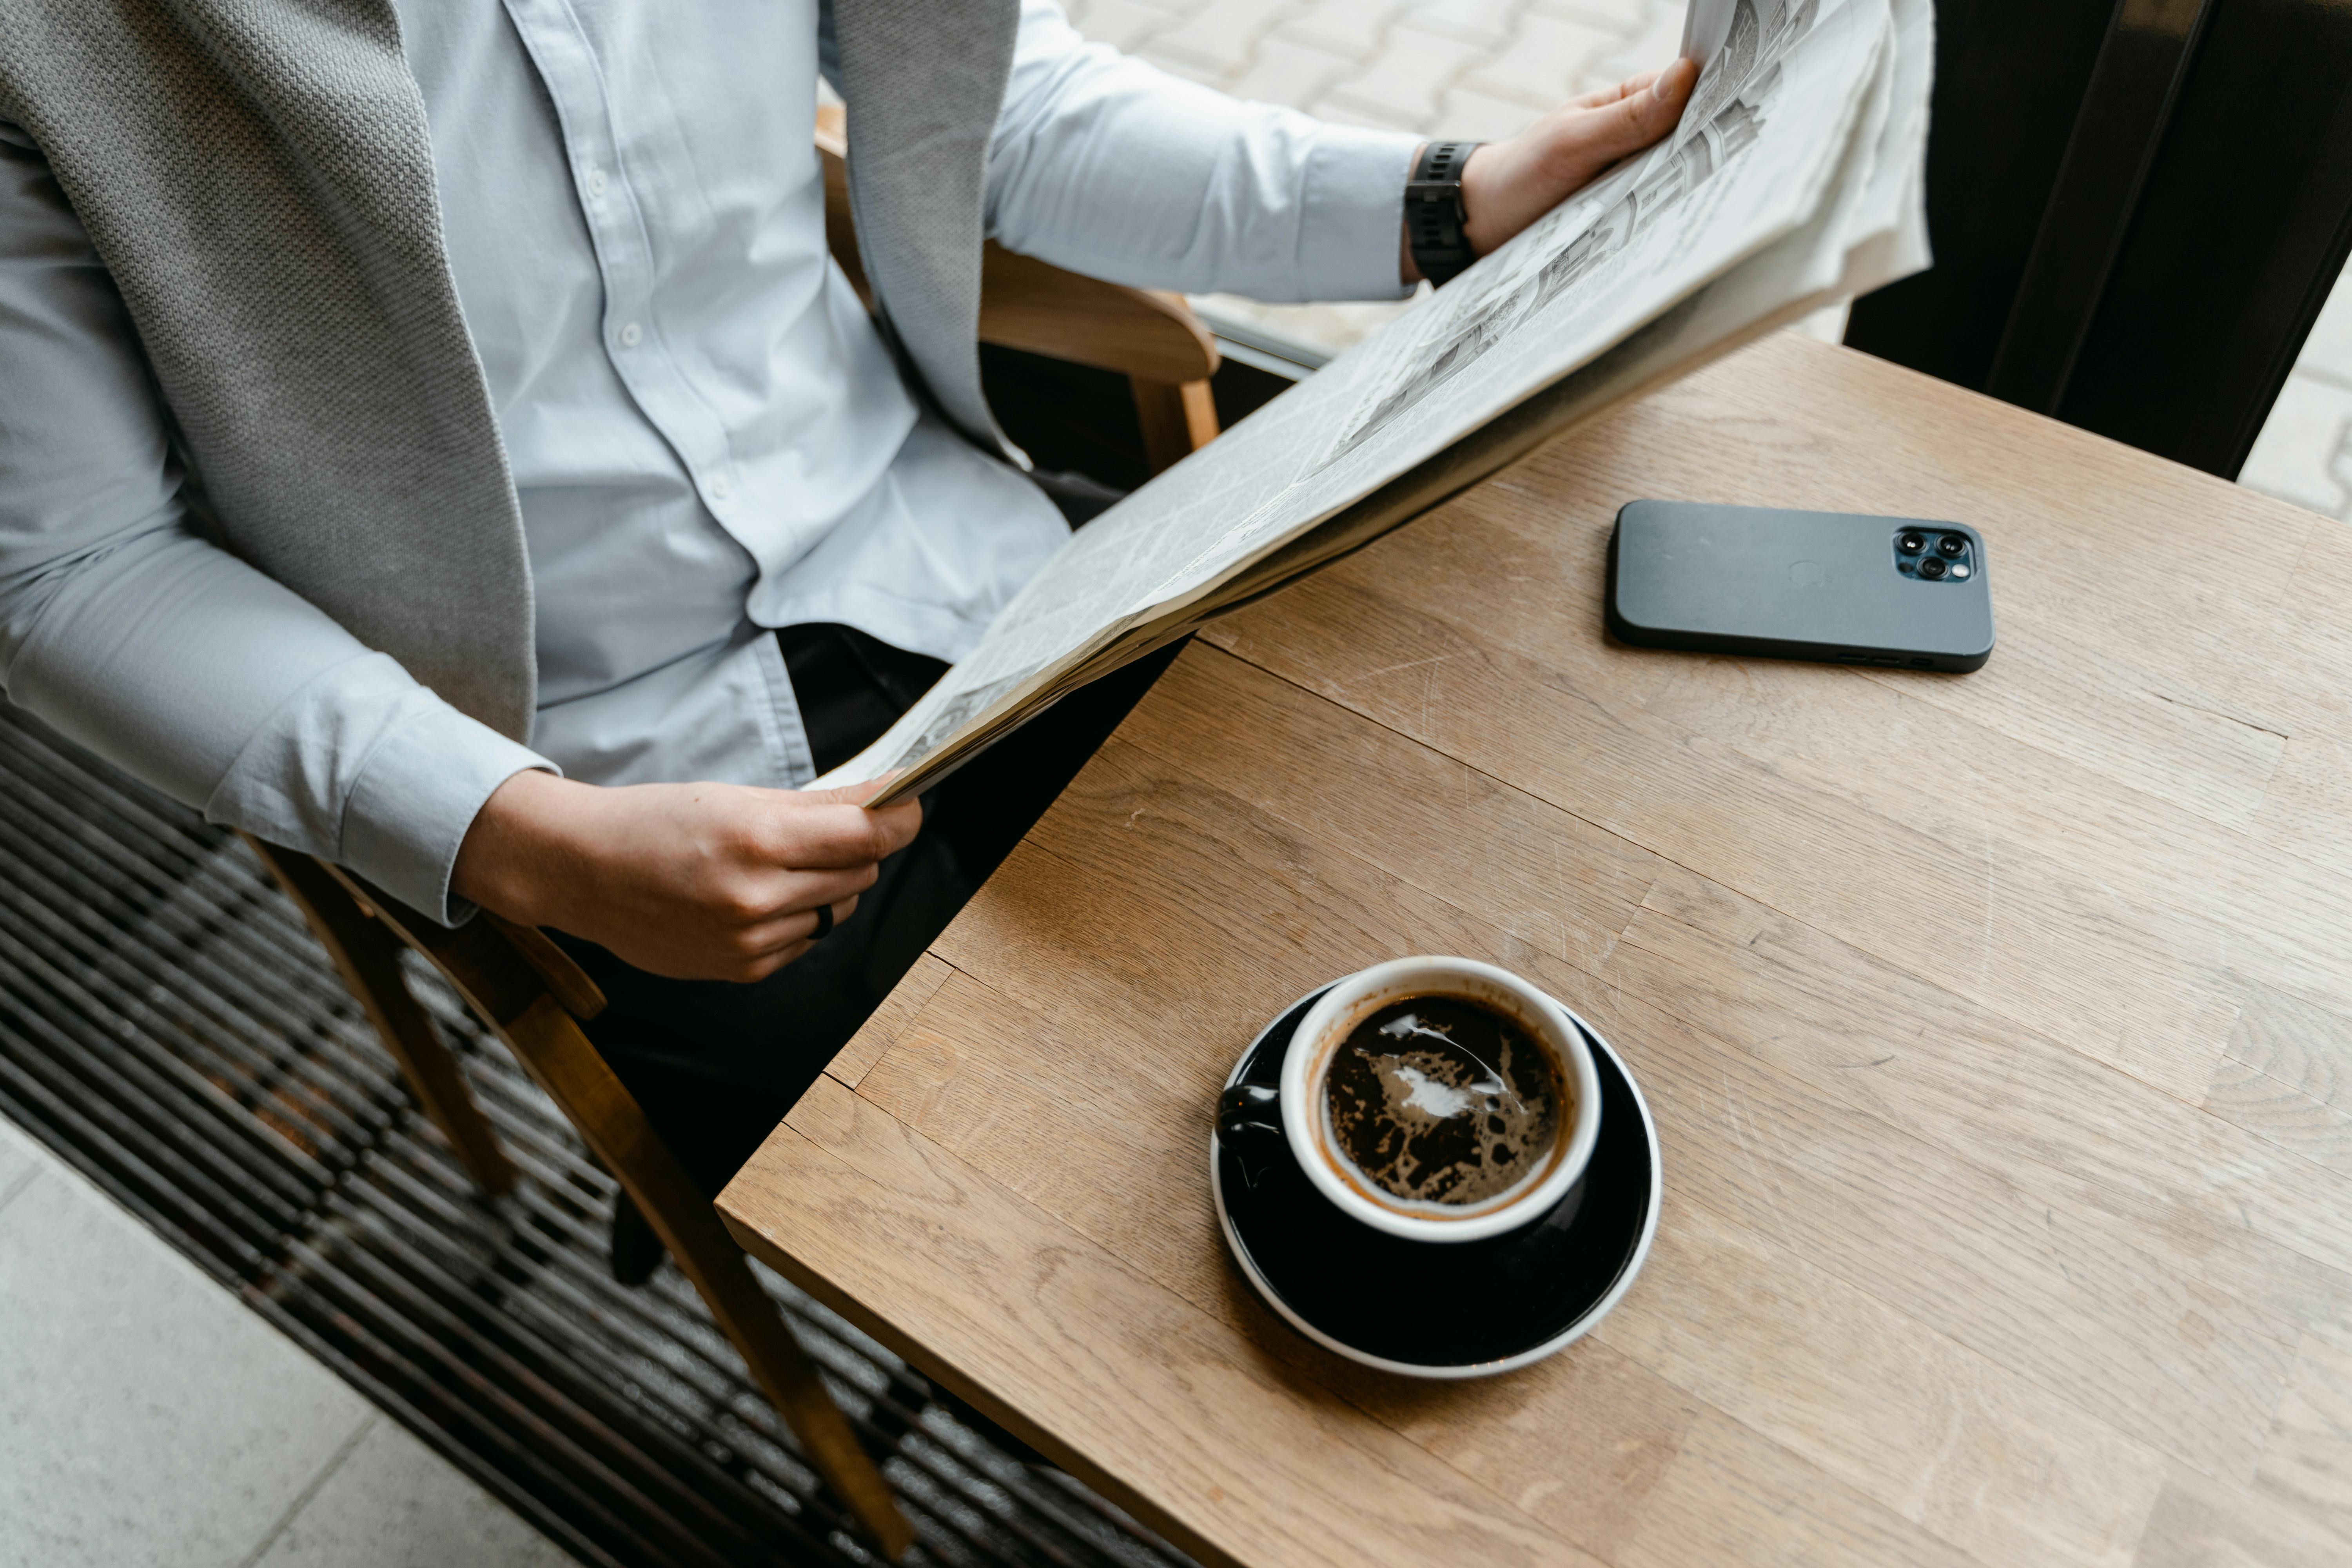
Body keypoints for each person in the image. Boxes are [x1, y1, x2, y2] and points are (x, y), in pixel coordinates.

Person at [0, 0, 1693, 1274]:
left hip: (956, 562)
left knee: (1364, 932)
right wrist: (527, 840)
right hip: (583, 766)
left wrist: (1438, 199)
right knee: (1056, 1246)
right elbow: (67, 567)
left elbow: (990, 112)